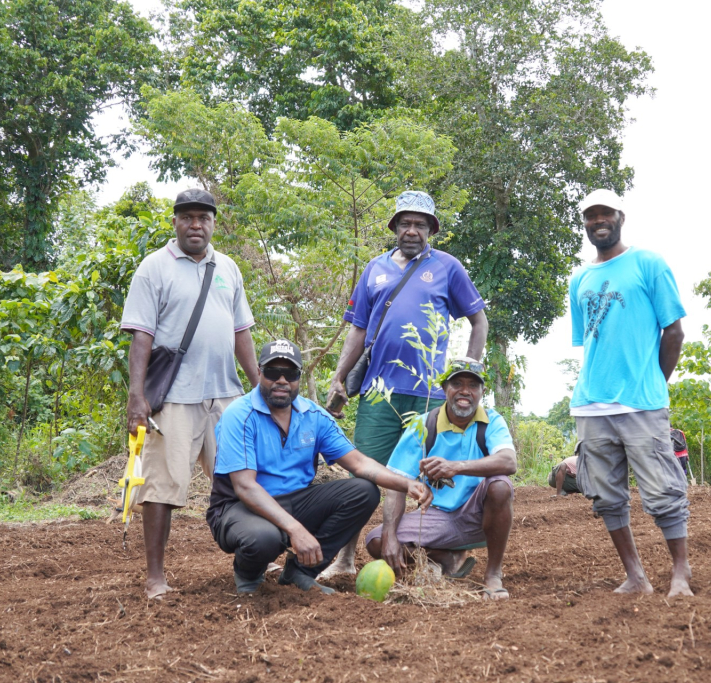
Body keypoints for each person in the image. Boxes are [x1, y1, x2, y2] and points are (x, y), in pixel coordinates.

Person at [320, 190, 489, 579]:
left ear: (431, 229)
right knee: (362, 474)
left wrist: (469, 368)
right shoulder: (374, 270)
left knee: (435, 473)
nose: (412, 230)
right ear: (395, 227)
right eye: (405, 223)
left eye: (420, 224)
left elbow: (478, 320)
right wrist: (339, 376)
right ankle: (345, 559)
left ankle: (442, 557)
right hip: (379, 392)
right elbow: (358, 329)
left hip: (429, 391)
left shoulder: (447, 267)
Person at [207, 339, 433, 595]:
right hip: (240, 505)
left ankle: (300, 572)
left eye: (290, 373)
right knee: (264, 538)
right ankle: (248, 575)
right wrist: (295, 529)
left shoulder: (313, 416)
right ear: (259, 372)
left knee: (364, 491)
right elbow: (245, 487)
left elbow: (359, 463)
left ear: (299, 378)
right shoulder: (239, 415)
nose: (282, 380)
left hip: (296, 499)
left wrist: (407, 483)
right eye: (272, 372)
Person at [121, 188, 260, 598]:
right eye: (187, 217)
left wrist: (258, 387)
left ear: (214, 223)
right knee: (162, 487)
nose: (195, 225)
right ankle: (155, 577)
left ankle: (253, 562)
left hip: (226, 397)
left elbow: (241, 332)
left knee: (244, 479)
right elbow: (141, 336)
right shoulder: (154, 268)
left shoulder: (228, 268)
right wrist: (136, 397)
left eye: (204, 218)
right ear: (175, 222)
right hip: (174, 398)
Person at [568, 188, 692, 598]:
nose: (598, 221)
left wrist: (654, 381)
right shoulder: (580, 279)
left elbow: (673, 331)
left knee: (663, 492)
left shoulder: (648, 264)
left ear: (621, 216)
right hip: (591, 404)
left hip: (641, 401)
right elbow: (591, 341)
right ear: (584, 223)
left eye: (605, 214)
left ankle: (680, 573)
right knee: (606, 497)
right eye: (590, 216)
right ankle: (636, 576)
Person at [365, 358, 517, 600]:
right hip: (437, 518)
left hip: (479, 517)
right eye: (457, 383)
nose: (465, 391)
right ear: (444, 388)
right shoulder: (422, 425)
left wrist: (456, 467)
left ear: (482, 392)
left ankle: (492, 574)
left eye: (473, 385)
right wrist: (390, 536)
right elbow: (396, 485)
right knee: (377, 541)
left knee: (500, 485)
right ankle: (447, 560)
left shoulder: (492, 421)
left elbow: (509, 462)